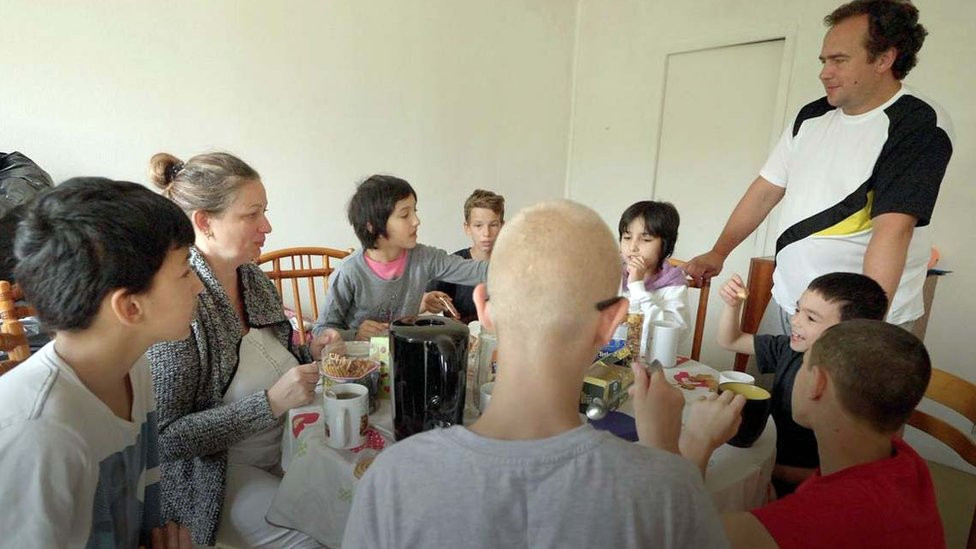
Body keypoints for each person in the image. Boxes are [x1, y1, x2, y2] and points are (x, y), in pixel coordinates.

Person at [342, 200, 728, 548]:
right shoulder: (667, 490)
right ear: (613, 321)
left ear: (485, 310)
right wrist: (673, 459)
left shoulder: (391, 479)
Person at [684, 0, 953, 334]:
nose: (825, 72)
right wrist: (719, 252)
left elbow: (893, 231)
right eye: (824, 60)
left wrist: (862, 327)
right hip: (789, 302)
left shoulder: (916, 123)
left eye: (839, 60)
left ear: (884, 59)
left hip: (854, 321)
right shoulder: (812, 117)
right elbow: (766, 190)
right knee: (764, 387)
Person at [146, 152, 338, 547]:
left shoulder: (252, 278)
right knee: (318, 537)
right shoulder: (180, 303)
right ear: (204, 222)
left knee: (364, 501)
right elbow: (165, 439)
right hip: (216, 473)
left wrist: (312, 354)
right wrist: (268, 403)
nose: (267, 226)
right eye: (252, 215)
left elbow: (281, 358)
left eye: (265, 212)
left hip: (287, 447)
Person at [0, 178, 197, 548]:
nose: (198, 286)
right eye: (185, 271)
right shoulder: (40, 437)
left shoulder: (133, 368)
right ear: (130, 307)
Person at [673, 320, 942, 548]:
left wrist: (698, 441)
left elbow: (671, 537)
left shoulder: (825, 519)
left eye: (803, 364)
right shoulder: (906, 462)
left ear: (817, 383)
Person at [717, 272, 887, 495]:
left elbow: (846, 473)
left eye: (811, 318)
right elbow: (731, 340)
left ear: (849, 333)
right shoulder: (791, 348)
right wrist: (733, 306)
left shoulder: (850, 389)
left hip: (802, 489)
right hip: (767, 456)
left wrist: (772, 470)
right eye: (798, 310)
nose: (794, 320)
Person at [312, 175, 488, 341]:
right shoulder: (349, 271)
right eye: (405, 215)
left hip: (403, 358)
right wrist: (355, 334)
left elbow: (478, 271)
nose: (416, 221)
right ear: (372, 226)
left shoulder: (424, 258)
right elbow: (321, 330)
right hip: (360, 365)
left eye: (415, 211)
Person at [617, 200, 690, 356]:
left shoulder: (673, 284)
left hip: (655, 363)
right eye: (627, 237)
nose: (633, 247)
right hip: (612, 361)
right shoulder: (613, 274)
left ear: (665, 245)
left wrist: (637, 286)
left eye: (646, 239)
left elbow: (673, 337)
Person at [423, 189, 505, 323]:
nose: (486, 233)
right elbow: (424, 301)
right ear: (467, 228)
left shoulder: (514, 264)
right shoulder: (454, 265)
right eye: (478, 225)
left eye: (493, 225)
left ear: (502, 226)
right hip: (463, 340)